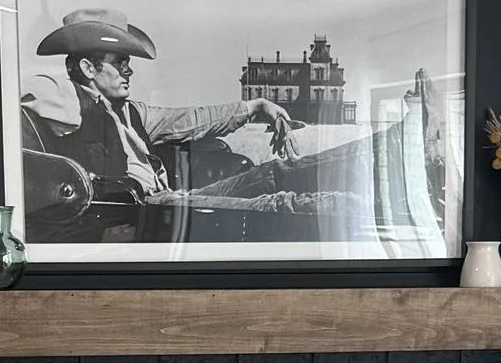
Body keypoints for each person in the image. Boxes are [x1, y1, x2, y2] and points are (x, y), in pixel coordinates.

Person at [19, 11, 297, 217]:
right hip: (148, 208)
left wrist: (256, 107)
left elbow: (193, 119)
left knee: (276, 172)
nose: (128, 71)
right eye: (118, 63)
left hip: (175, 197)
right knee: (278, 206)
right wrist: (75, 90)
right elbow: (23, 93)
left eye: (127, 63)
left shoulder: (133, 113)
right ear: (89, 69)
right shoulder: (67, 98)